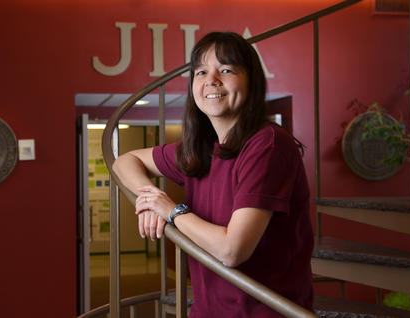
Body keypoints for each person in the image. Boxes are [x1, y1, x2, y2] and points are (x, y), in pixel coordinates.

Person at [113, 31, 314, 318]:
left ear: (251, 81)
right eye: (201, 72)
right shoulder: (202, 150)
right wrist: (150, 195)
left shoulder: (267, 144)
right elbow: (125, 161)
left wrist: (171, 210)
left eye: (226, 70)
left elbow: (232, 250)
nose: (211, 80)